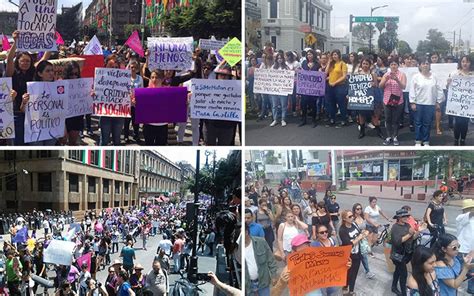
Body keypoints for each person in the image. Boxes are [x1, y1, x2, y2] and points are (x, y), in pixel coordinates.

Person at [409, 57, 445, 146]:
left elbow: (439, 89)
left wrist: (438, 101)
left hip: (430, 103)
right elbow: (412, 90)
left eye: (427, 63)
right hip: (419, 103)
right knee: (418, 123)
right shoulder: (416, 77)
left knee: (427, 123)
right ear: (419, 66)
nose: (425, 65)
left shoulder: (434, 77)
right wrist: (413, 102)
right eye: (423, 63)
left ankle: (426, 141)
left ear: (429, 65)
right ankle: (418, 140)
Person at [390, 209, 426, 296]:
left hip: (406, 254)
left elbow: (413, 238)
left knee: (398, 271)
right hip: (398, 255)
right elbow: (397, 242)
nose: (406, 217)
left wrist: (419, 231)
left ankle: (394, 287)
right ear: (399, 218)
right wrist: (409, 234)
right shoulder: (395, 227)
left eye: (407, 216)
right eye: (404, 216)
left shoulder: (407, 225)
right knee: (404, 274)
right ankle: (403, 293)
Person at [339, 210, 368, 295]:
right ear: (344, 219)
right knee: (348, 273)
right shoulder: (342, 230)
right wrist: (359, 238)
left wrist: (362, 233)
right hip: (349, 255)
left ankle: (351, 290)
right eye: (350, 217)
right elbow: (348, 245)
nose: (352, 218)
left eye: (352, 216)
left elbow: (359, 233)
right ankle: (345, 286)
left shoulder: (354, 224)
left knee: (354, 273)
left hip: (358, 253)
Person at [380, 59, 407, 145]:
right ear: (389, 66)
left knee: (396, 120)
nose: (393, 66)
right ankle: (388, 136)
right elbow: (380, 86)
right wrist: (385, 80)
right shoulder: (386, 74)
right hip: (387, 100)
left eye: (395, 64)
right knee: (388, 119)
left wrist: (397, 80)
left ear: (398, 65)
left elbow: (403, 87)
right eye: (391, 64)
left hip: (398, 100)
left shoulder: (402, 75)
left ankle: (395, 136)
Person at [244, 225, 277, 296]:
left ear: (246, 232)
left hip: (263, 282)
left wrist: (274, 275)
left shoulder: (261, 242)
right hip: (248, 285)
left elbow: (270, 259)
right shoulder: (238, 249)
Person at [448, 55, 473, 145]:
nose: (465, 63)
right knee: (457, 122)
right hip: (457, 102)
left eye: (467, 61)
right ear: (460, 63)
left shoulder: (473, 74)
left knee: (465, 122)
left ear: (470, 63)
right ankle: (456, 139)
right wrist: (448, 83)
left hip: (468, 103)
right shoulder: (455, 74)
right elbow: (448, 88)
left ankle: (463, 139)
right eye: (463, 61)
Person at [62, 61, 85, 145]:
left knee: (73, 142)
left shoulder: (82, 84)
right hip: (64, 117)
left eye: (76, 74)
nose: (74, 76)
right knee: (62, 141)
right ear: (66, 74)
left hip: (76, 116)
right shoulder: (60, 84)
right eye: (71, 74)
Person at [455, 198, 474, 294]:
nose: (471, 210)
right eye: (470, 208)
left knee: (472, 272)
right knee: (459, 270)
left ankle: (471, 289)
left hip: (472, 250)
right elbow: (469, 215)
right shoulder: (461, 217)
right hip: (462, 249)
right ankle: (454, 285)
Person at [325, 49, 348, 127]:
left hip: (340, 86)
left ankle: (343, 120)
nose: (334, 56)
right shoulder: (331, 64)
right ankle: (332, 119)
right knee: (331, 103)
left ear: (339, 55)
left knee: (341, 104)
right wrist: (329, 62)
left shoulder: (342, 64)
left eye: (335, 54)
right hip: (330, 86)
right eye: (333, 55)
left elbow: (344, 76)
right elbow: (326, 73)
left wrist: (335, 82)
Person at [352, 203, 375, 279]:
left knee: (364, 255)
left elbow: (366, 227)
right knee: (356, 257)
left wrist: (367, 232)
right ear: (354, 210)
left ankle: (367, 271)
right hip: (356, 240)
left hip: (363, 240)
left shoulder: (362, 217)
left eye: (360, 209)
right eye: (357, 209)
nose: (359, 210)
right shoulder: (352, 219)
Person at [298, 49, 321, 127]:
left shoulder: (317, 64)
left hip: (313, 89)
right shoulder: (304, 63)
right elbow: (301, 72)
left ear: (314, 55)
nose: (309, 56)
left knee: (313, 105)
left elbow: (319, 74)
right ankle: (303, 120)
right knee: (303, 104)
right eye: (308, 54)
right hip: (305, 88)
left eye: (310, 54)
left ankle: (314, 120)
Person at [124, 60, 143, 144]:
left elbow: (141, 90)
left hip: (136, 103)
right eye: (132, 67)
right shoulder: (125, 78)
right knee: (127, 121)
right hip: (127, 103)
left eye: (135, 67)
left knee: (136, 121)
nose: (133, 69)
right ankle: (126, 136)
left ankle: (136, 135)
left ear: (137, 68)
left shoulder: (140, 78)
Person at [269, 52, 290, 127]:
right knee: (274, 105)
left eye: (281, 58)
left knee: (283, 105)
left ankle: (283, 119)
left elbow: (289, 78)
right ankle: (275, 119)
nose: (279, 60)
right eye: (278, 58)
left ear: (283, 59)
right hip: (274, 89)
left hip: (283, 90)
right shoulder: (273, 67)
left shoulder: (286, 67)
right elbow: (269, 77)